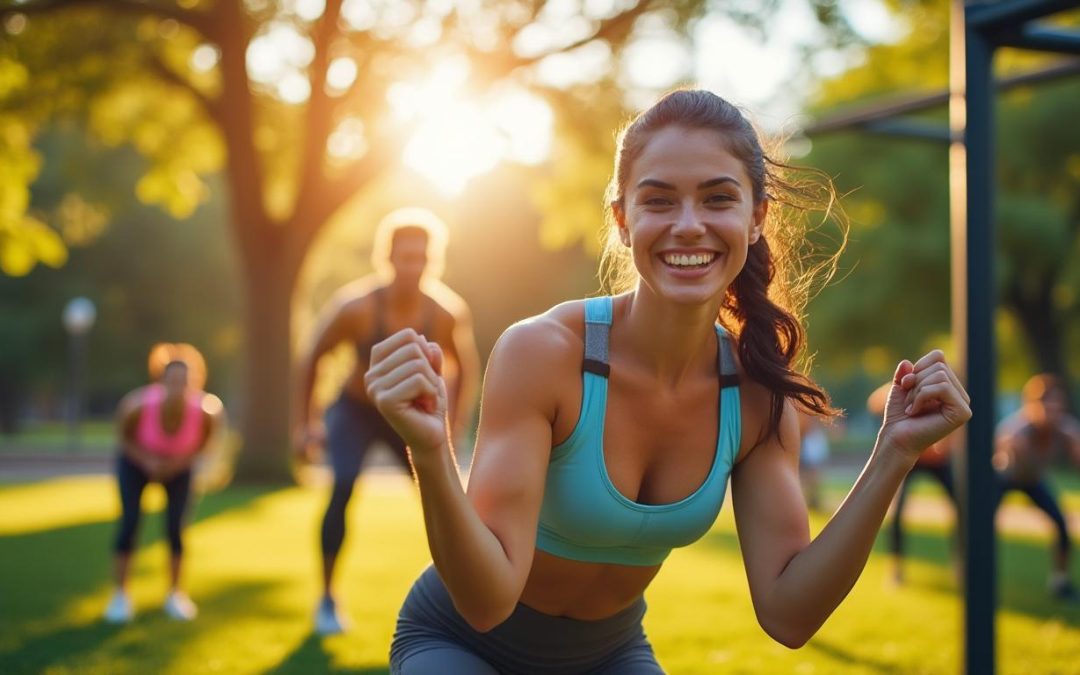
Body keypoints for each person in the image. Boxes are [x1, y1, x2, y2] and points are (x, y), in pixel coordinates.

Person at [365, 89, 972, 673]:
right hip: (460, 642)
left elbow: (790, 614)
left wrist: (894, 453)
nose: (688, 225)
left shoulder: (757, 393)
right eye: (658, 201)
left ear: (756, 218)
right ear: (623, 220)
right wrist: (429, 447)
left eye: (717, 199)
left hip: (608, 653)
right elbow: (486, 600)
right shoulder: (544, 353)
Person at [293, 207, 481, 635]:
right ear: (388, 257)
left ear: (432, 259)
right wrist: (304, 424)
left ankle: (463, 598)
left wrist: (453, 424)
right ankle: (326, 599)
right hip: (356, 411)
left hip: (412, 415)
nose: (412, 266)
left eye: (421, 257)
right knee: (341, 486)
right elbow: (312, 357)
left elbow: (465, 367)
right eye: (404, 256)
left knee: (444, 501)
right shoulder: (355, 308)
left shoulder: (446, 313)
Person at [104, 343, 224, 623]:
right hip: (136, 463)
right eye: (172, 380)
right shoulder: (137, 406)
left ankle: (175, 594)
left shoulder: (207, 411)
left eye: (185, 381)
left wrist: (175, 464)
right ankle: (120, 595)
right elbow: (123, 439)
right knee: (130, 522)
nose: (178, 386)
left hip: (179, 466)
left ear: (195, 382)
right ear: (161, 380)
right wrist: (147, 461)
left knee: (175, 527)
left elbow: (205, 446)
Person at [994, 373, 1080, 601]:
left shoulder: (1065, 430)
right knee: (982, 525)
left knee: (1061, 523)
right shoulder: (1017, 430)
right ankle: (975, 572)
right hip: (1005, 477)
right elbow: (1002, 446)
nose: (1052, 412)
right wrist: (1012, 449)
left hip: (1033, 480)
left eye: (1057, 406)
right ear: (1032, 406)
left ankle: (1060, 581)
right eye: (1047, 405)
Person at [868, 382, 957, 585]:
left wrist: (945, 446)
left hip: (937, 460)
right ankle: (896, 567)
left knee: (961, 507)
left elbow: (956, 424)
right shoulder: (904, 391)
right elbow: (873, 403)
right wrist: (891, 392)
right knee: (897, 511)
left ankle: (959, 563)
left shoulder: (940, 394)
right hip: (912, 458)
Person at [798, 411, 831, 512]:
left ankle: (813, 500)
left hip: (813, 451)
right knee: (809, 479)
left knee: (813, 479)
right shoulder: (807, 432)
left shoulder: (815, 434)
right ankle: (811, 500)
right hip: (809, 453)